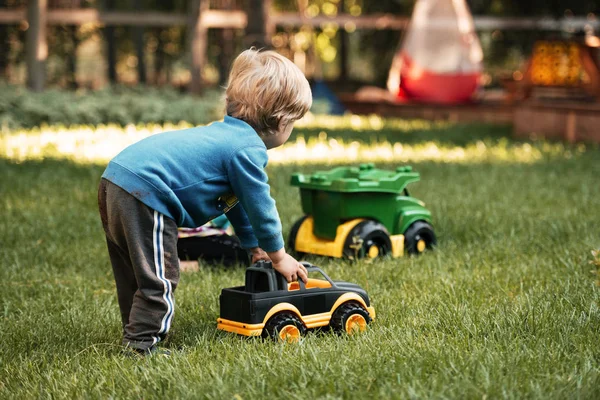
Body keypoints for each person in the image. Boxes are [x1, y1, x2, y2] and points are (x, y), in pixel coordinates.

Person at [97, 48, 312, 356]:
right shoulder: (247, 149)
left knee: (134, 272)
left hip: (115, 180)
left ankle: (137, 331)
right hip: (147, 193)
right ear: (280, 121)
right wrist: (278, 256)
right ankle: (142, 345)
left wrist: (254, 247)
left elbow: (235, 203)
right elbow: (260, 206)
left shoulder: (225, 137)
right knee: (160, 277)